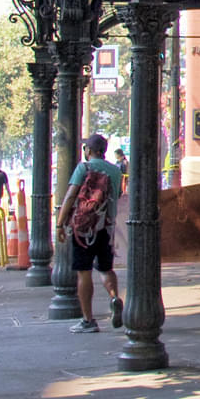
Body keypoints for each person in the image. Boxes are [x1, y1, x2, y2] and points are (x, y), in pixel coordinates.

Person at [60, 134, 124, 333]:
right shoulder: (115, 171)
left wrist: (60, 223)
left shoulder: (84, 168)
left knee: (84, 272)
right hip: (106, 227)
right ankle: (114, 297)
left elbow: (71, 195)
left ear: (89, 150)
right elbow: (118, 196)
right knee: (106, 268)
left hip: (83, 229)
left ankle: (88, 320)